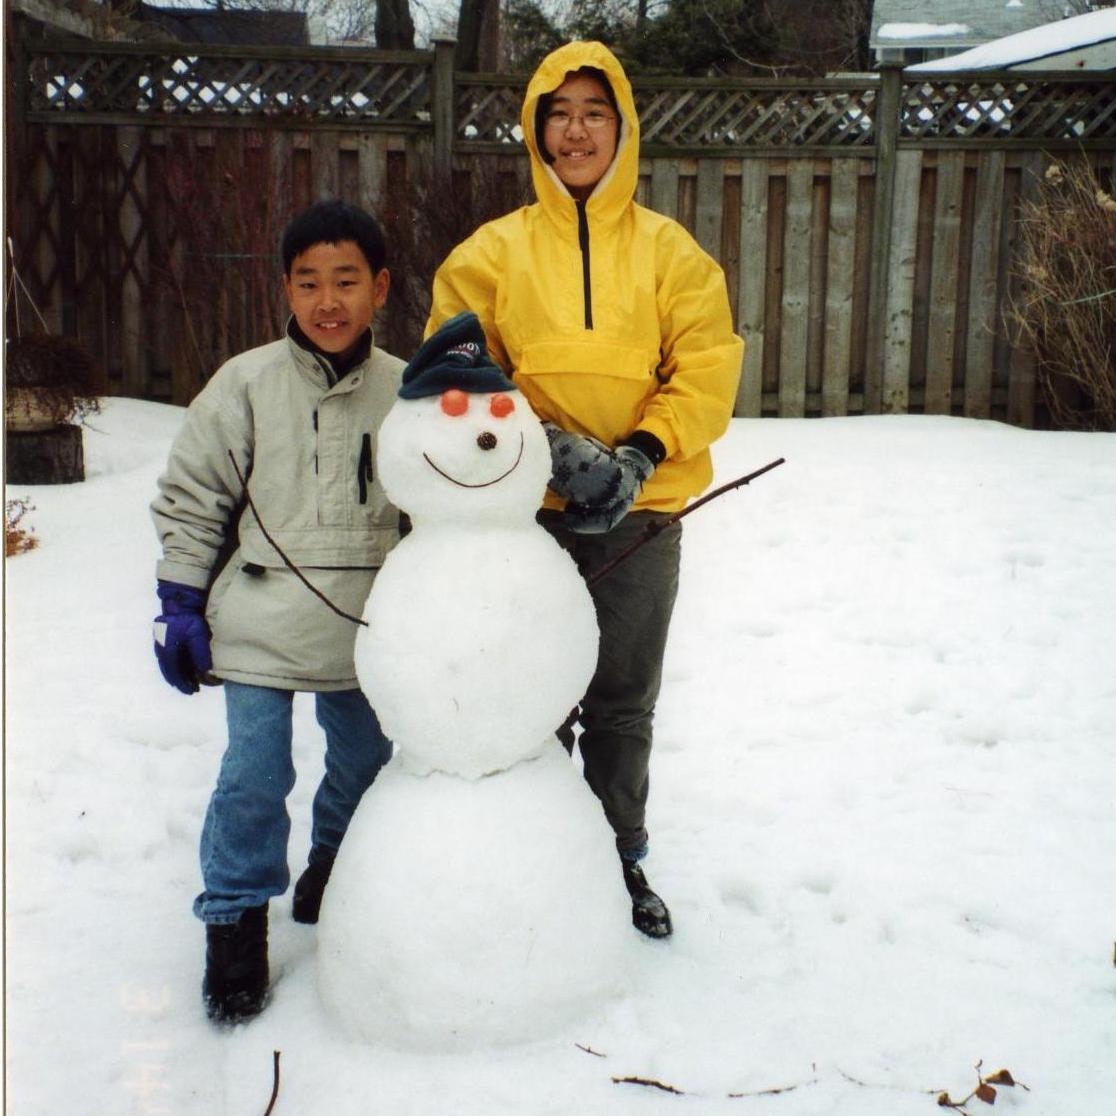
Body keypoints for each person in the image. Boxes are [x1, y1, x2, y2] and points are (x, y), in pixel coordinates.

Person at [426, 41, 743, 939]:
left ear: (623, 129)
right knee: (530, 698)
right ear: (536, 131)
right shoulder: (490, 252)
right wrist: (551, 449)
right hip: (524, 515)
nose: (575, 131)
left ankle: (619, 859)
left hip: (643, 518)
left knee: (620, 703)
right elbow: (456, 364)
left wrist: (640, 452)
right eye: (557, 114)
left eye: (593, 114)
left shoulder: (670, 253)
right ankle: (532, 862)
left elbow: (708, 368)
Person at [150, 199, 405, 1022]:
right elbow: (196, 494)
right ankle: (233, 919)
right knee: (255, 775)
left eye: (346, 281)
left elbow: (434, 512)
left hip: (366, 625)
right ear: (285, 291)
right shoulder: (246, 383)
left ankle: (333, 862)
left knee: (365, 765)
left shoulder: (409, 394)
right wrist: (181, 598)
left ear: (381, 289)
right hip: (260, 618)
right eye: (308, 283)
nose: (327, 302)